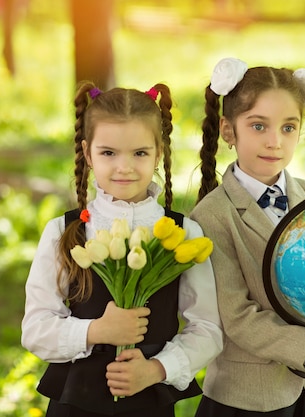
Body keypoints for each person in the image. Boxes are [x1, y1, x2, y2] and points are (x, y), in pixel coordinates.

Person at [190, 57, 305, 417]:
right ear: (229, 131)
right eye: (259, 126)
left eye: (288, 128)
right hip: (248, 398)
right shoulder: (212, 216)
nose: (275, 142)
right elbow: (237, 317)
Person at [21, 81, 223, 417]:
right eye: (108, 153)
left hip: (147, 399)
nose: (124, 167)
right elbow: (35, 328)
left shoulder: (183, 233)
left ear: (159, 153)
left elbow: (207, 329)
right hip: (76, 401)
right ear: (87, 153)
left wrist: (157, 369)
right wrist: (96, 330)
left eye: (140, 153)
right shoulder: (64, 231)